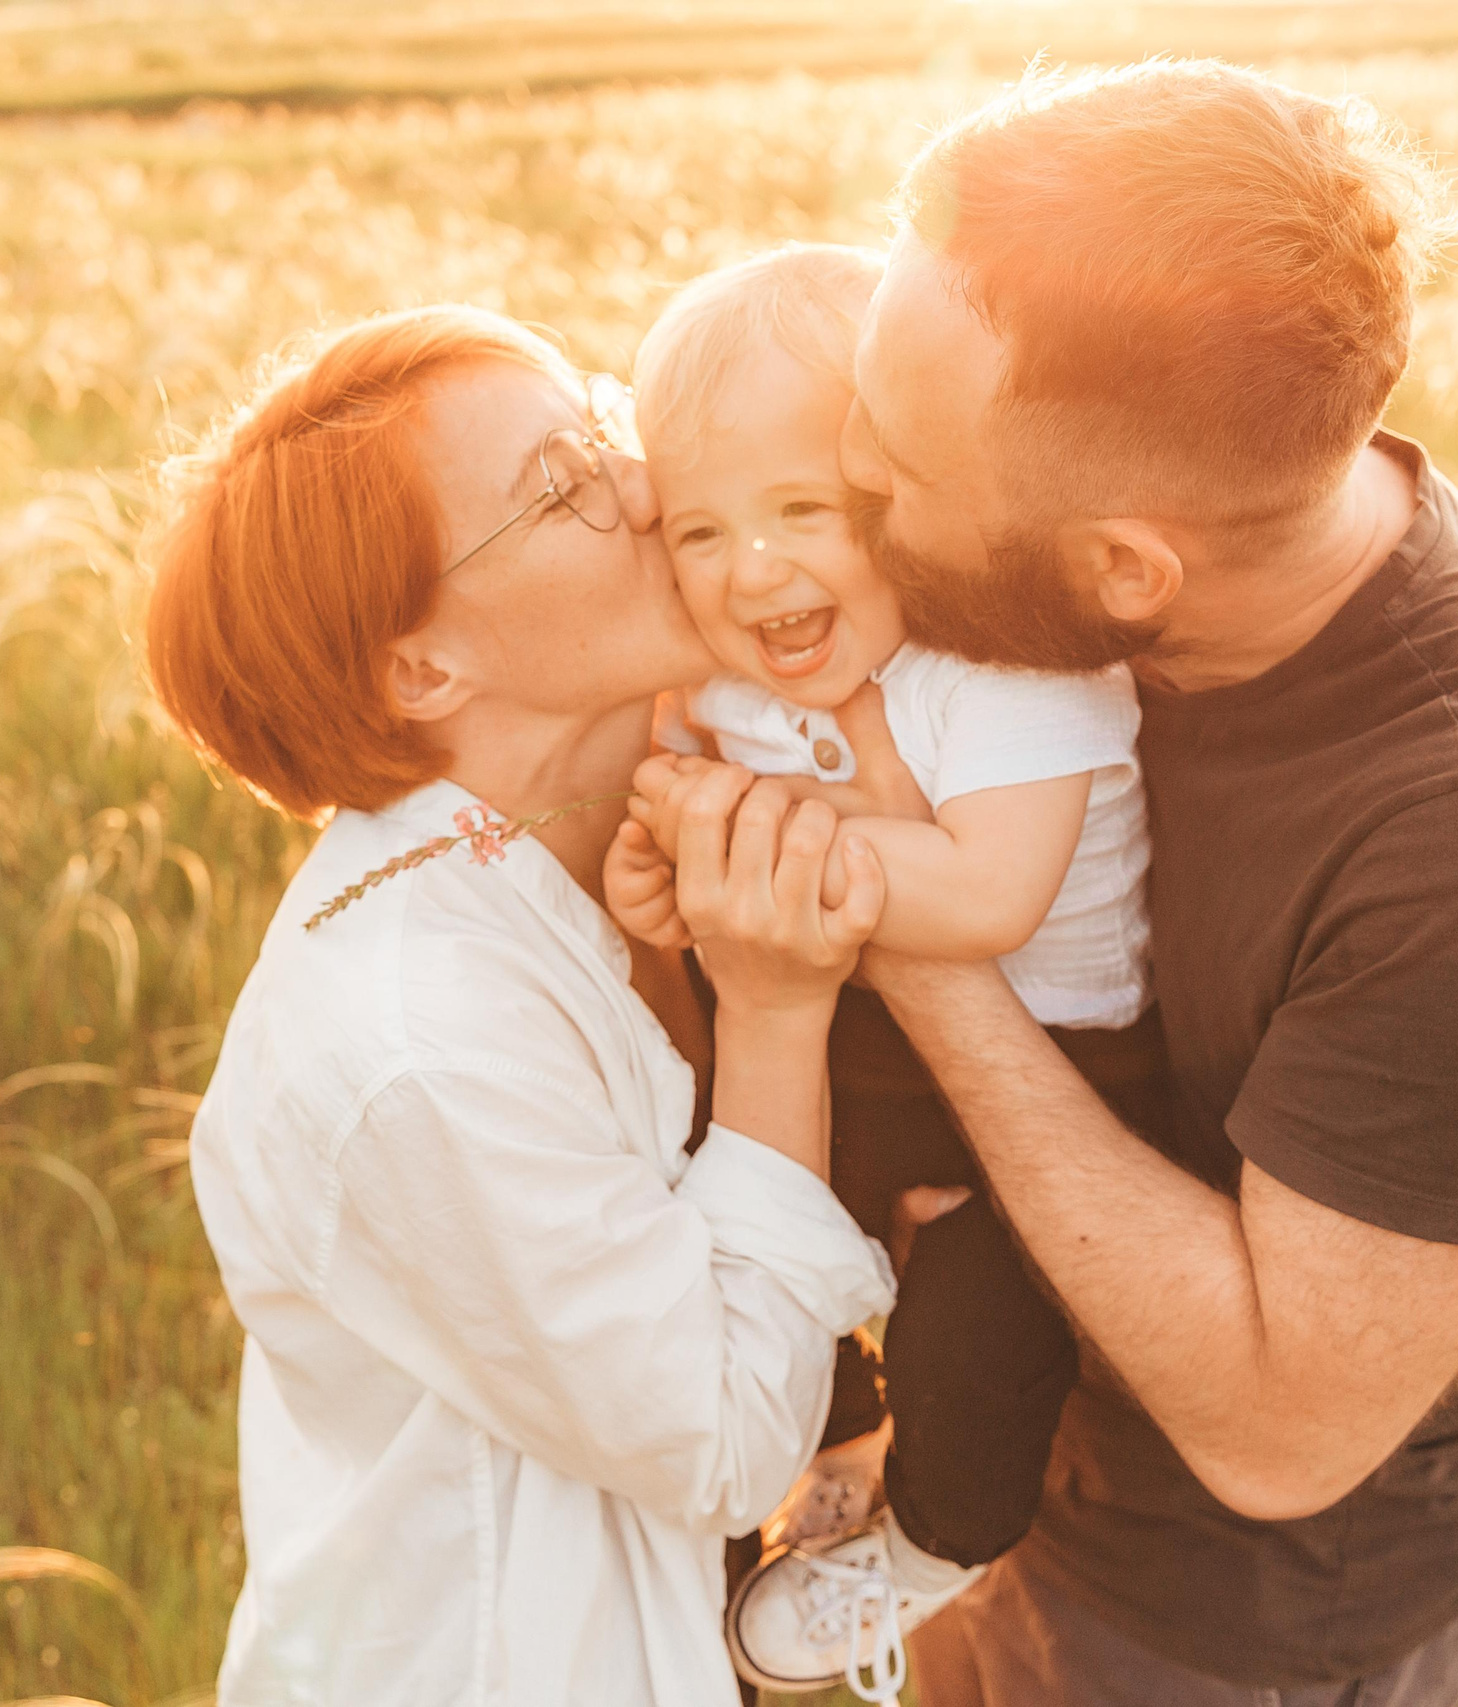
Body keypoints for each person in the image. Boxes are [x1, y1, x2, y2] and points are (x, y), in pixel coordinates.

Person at [645, 60, 1458, 1706]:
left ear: (1125, 572)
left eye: (890, 475)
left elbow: (1283, 1427)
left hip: (1224, 1628)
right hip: (998, 1453)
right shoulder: (1076, 582)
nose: (847, 470)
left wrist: (904, 942)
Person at [143, 303, 898, 1707]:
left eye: (604, 423)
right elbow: (725, 1437)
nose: (643, 482)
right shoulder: (412, 1046)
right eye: (560, 486)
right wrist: (778, 1015)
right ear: (425, 668)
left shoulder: (658, 797)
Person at [604, 241, 1165, 1700]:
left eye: (807, 513)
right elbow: (682, 810)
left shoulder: (1013, 672)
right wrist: (671, 869)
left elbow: (985, 892)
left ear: (914, 509)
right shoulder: (741, 678)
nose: (757, 569)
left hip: (1071, 1064)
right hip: (867, 1043)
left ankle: (936, 1536)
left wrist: (764, 843)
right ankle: (829, 1432)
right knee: (742, 1206)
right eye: (703, 534)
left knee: (980, 1330)